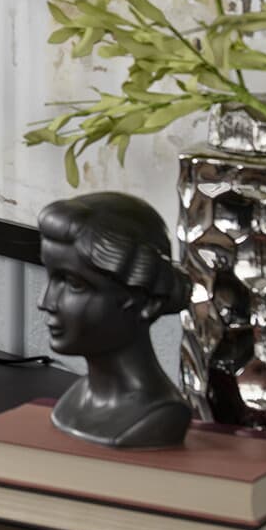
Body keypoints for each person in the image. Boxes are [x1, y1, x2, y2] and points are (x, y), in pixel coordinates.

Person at [38, 192, 193, 448]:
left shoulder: (158, 417)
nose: (45, 301)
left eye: (74, 284)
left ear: (148, 301)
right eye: (52, 278)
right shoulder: (72, 400)